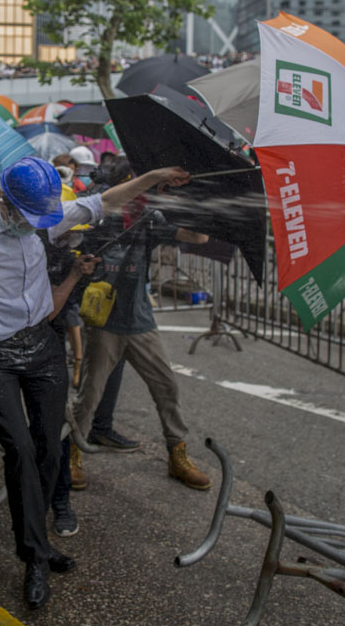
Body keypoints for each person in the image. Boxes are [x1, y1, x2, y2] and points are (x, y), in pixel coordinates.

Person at [0, 156, 192, 610]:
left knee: (50, 447)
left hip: (43, 348)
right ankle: (34, 558)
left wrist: (155, 177)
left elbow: (105, 200)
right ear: (6, 201)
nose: (38, 226)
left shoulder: (47, 217)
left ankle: (40, 544)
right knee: (21, 450)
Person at [68, 203, 211, 495]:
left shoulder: (151, 219)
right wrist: (82, 265)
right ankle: (72, 453)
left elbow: (199, 239)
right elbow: (70, 251)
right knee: (91, 393)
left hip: (141, 322)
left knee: (167, 387)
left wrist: (197, 205)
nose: (138, 197)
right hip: (105, 322)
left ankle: (177, 453)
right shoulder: (99, 216)